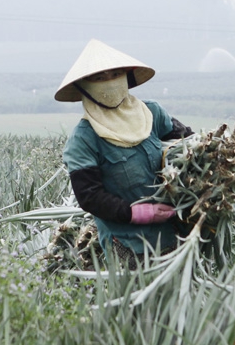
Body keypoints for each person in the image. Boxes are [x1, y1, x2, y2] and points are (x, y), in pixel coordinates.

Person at [55, 39, 193, 269]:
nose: (109, 83)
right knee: (135, 301)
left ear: (127, 77)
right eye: (99, 78)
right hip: (126, 243)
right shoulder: (83, 139)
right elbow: (89, 196)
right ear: (84, 87)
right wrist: (137, 213)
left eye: (115, 74)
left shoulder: (152, 112)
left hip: (174, 233)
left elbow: (186, 141)